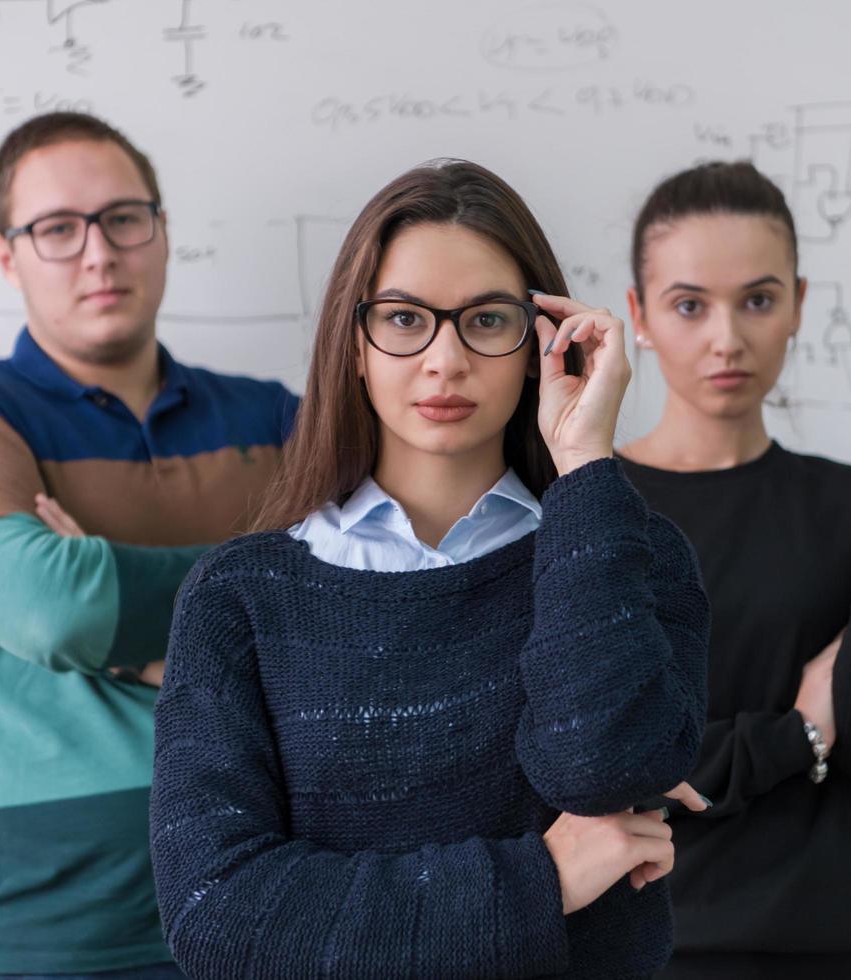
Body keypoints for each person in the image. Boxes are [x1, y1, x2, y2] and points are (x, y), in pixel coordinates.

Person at [148, 159, 709, 979]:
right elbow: (220, 919)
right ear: (354, 346)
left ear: (538, 345)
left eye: (485, 320)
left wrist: (585, 462)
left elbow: (602, 766)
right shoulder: (240, 600)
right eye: (406, 320)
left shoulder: (630, 555)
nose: (444, 360)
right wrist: (539, 879)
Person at [0, 111, 297, 978]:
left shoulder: (277, 418)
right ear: (8, 255)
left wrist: (128, 638)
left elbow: (386, 606)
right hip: (50, 932)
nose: (98, 253)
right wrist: (271, 584)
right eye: (57, 230)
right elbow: (54, 607)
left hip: (275, 904)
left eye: (122, 219)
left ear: (163, 232)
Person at [617, 160, 851, 980]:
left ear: (800, 306)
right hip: (657, 951)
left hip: (850, 948)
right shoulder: (590, 513)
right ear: (639, 317)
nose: (726, 338)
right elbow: (605, 765)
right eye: (689, 305)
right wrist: (797, 734)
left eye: (759, 301)